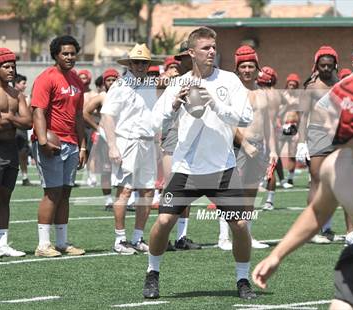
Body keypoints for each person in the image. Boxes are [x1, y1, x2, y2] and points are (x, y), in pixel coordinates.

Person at [253, 74, 353, 310]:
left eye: (331, 115)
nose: (322, 122)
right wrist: (276, 255)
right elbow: (317, 213)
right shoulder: (335, 166)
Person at [143, 27, 256, 300]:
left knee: (240, 225)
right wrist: (173, 107)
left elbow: (244, 117)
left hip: (223, 168)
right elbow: (153, 124)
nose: (212, 52)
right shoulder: (177, 84)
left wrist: (215, 104)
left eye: (214, 48)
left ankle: (243, 279)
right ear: (191, 53)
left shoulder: (229, 80)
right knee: (164, 221)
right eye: (205, 48)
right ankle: (152, 274)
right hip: (186, 169)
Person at [31, 35, 87, 257]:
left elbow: (79, 116)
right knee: (52, 193)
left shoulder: (76, 80)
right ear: (56, 54)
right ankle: (43, 245)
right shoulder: (46, 78)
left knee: (65, 193)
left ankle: (62, 242)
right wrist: (43, 140)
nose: (70, 57)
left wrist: (82, 146)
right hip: (51, 143)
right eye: (65, 53)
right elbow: (38, 112)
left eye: (73, 53)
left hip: (72, 143)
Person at [101, 44, 158, 255]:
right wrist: (113, 145)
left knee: (148, 190)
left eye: (144, 62)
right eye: (136, 62)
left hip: (147, 141)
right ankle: (120, 239)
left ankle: (137, 238)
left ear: (149, 64)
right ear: (130, 64)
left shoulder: (151, 84)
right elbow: (107, 116)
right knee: (124, 190)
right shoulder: (119, 85)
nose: (140, 66)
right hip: (126, 141)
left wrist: (157, 142)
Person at [226, 46, 277, 250]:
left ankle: (247, 235)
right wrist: (245, 144)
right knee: (231, 196)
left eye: (251, 66)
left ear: (257, 68)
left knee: (251, 195)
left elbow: (269, 125)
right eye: (243, 66)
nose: (247, 70)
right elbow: (227, 122)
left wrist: (273, 150)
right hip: (237, 147)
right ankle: (225, 237)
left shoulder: (264, 94)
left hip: (258, 148)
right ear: (238, 68)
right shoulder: (232, 92)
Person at [296, 46, 341, 244]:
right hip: (317, 134)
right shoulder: (312, 86)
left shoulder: (339, 84)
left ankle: (327, 226)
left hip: (338, 135)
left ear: (335, 65)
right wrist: (301, 143)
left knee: (332, 183)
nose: (325, 69)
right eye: (322, 65)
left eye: (329, 66)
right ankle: (311, 230)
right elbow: (303, 115)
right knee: (316, 179)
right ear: (316, 65)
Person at [159, 43, 202, 251]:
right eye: (185, 56)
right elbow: (163, 113)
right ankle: (163, 236)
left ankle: (182, 236)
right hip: (175, 136)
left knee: (187, 188)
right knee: (171, 187)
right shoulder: (175, 83)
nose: (188, 60)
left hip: (194, 138)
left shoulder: (205, 80)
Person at [0, 48, 32, 257]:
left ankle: (2, 244)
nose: (11, 70)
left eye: (13, 67)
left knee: (5, 198)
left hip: (11, 149)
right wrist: (12, 119)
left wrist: (10, 118)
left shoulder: (16, 94)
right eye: (6, 67)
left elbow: (28, 123)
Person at [263, 71, 300, 211]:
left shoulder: (287, 96)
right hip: (275, 127)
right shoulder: (278, 94)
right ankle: (280, 180)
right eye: (289, 84)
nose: (291, 86)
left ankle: (285, 180)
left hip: (286, 127)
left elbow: (299, 113)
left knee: (285, 154)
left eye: (293, 85)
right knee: (274, 157)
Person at [83, 68, 119, 210]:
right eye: (109, 80)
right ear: (104, 82)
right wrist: (97, 127)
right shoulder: (102, 96)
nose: (111, 82)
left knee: (129, 168)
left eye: (114, 79)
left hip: (123, 136)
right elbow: (85, 113)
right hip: (106, 137)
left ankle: (128, 200)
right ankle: (108, 200)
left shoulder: (126, 94)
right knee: (106, 169)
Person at [13, 73, 33, 186]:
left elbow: (29, 114)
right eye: (23, 83)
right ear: (16, 84)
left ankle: (25, 176)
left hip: (21, 129)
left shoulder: (26, 98)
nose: (25, 85)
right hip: (9, 128)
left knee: (23, 153)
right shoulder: (8, 95)